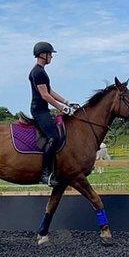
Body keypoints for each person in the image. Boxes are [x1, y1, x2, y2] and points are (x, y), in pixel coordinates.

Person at [29, 41, 77, 186]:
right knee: (54, 137)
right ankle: (45, 174)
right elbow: (45, 95)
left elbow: (50, 91)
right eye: (50, 54)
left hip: (43, 109)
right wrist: (62, 108)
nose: (51, 57)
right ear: (43, 54)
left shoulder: (41, 72)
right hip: (39, 110)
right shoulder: (37, 72)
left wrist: (67, 102)